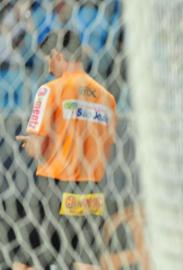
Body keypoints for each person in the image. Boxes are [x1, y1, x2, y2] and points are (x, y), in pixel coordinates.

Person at [15, 30, 117, 270]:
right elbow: (108, 149)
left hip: (54, 184)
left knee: (28, 260)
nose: (49, 67)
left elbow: (37, 147)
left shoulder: (49, 90)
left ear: (58, 55)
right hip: (92, 188)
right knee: (86, 262)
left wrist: (29, 143)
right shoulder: (107, 98)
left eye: (49, 59)